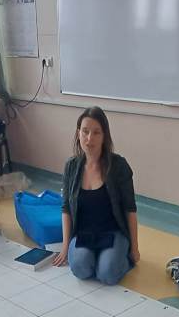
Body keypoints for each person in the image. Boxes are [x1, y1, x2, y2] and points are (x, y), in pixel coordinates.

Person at [53, 106, 139, 285]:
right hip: (84, 232)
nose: (89, 138)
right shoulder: (71, 166)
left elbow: (130, 209)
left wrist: (135, 249)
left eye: (96, 132)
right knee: (80, 269)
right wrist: (65, 247)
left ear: (104, 136)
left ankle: (118, 257)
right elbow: (66, 208)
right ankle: (99, 257)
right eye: (85, 131)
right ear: (78, 133)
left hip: (113, 232)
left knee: (107, 274)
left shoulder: (119, 166)